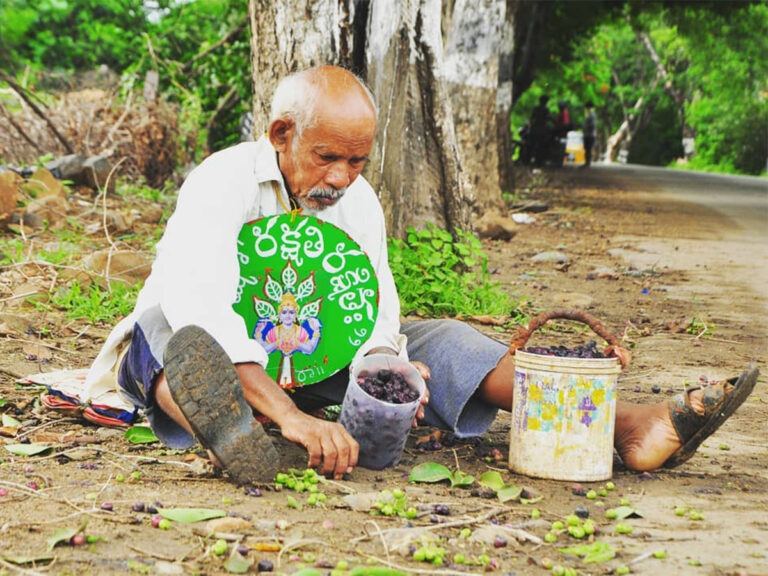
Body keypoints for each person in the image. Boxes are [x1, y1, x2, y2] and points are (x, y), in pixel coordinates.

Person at [85, 65, 758, 485]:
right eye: (327, 158)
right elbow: (196, 298)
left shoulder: (357, 200)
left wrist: (385, 363)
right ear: (281, 132)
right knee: (181, 351)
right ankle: (240, 429)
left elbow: (373, 301)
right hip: (205, 344)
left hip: (316, 355)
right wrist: (287, 409)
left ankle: (625, 425)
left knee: (438, 344)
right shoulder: (224, 180)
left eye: (358, 161)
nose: (343, 178)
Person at [583, 101, 597, 167]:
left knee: (588, 148)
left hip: (590, 134)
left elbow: (592, 125)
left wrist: (587, 127)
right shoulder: (589, 114)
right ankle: (587, 162)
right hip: (588, 134)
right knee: (587, 149)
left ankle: (587, 163)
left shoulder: (591, 114)